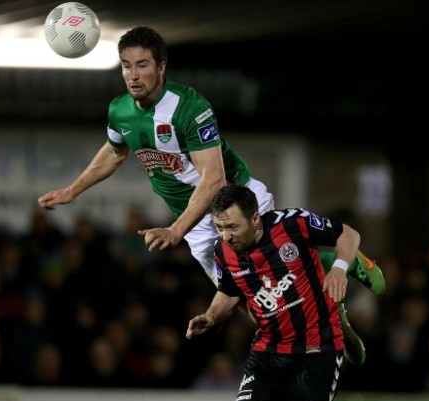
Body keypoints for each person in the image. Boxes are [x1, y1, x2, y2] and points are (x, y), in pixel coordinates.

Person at [37, 25, 384, 364]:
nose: (133, 74)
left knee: (276, 271)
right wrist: (73, 189)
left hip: (236, 203)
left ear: (161, 67)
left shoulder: (189, 106)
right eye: (126, 65)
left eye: (142, 65)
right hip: (198, 225)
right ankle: (334, 316)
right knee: (255, 302)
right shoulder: (119, 110)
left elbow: (214, 179)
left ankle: (344, 268)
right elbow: (115, 152)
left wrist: (176, 230)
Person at [186, 184, 359, 401]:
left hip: (318, 350)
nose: (226, 235)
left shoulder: (292, 223)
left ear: (255, 218)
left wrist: (339, 269)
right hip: (268, 350)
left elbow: (348, 234)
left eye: (233, 226)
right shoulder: (223, 251)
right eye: (220, 227)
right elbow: (228, 292)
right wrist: (212, 315)